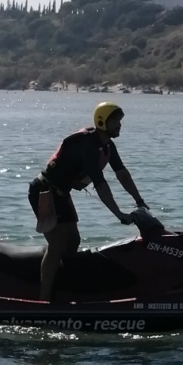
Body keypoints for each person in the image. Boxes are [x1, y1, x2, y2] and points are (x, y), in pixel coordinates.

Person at [27, 101, 148, 302]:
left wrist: (139, 200)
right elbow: (101, 185)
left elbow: (122, 174)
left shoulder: (107, 145)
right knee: (57, 245)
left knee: (73, 241)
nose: (119, 125)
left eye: (120, 121)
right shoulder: (88, 146)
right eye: (116, 121)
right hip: (44, 192)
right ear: (102, 122)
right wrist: (119, 214)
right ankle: (44, 301)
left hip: (61, 194)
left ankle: (65, 289)